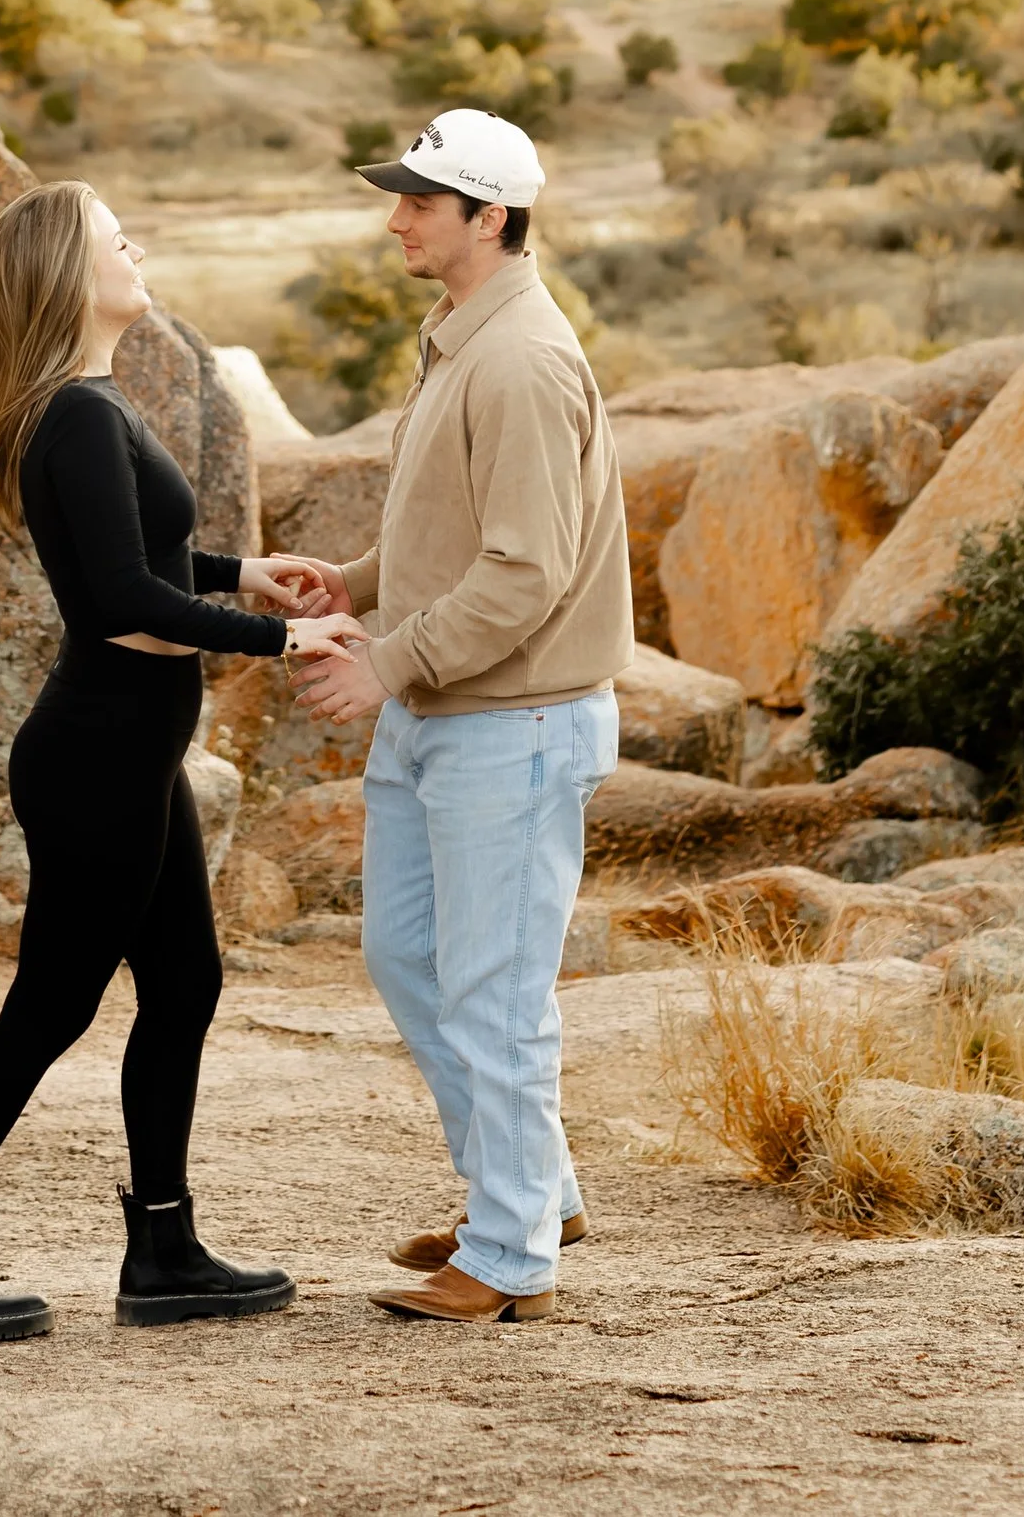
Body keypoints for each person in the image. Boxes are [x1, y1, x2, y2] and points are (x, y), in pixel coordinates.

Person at [0, 181, 353, 1341]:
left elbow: (150, 557)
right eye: (112, 238)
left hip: (129, 754)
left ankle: (165, 1249)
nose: (134, 247)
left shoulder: (89, 401)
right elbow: (117, 601)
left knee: (183, 986)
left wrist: (244, 575)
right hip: (94, 759)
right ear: (63, 276)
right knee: (50, 1005)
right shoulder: (74, 415)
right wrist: (285, 638)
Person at [293, 108, 633, 1323]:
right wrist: (356, 586)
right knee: (408, 958)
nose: (395, 221)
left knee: (494, 990)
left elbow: (524, 571)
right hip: (448, 712)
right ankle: (531, 1185)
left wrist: (384, 661)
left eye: (419, 204)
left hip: (515, 724)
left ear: (488, 217)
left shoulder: (523, 361)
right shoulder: (459, 337)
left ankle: (509, 1256)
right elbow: (451, 524)